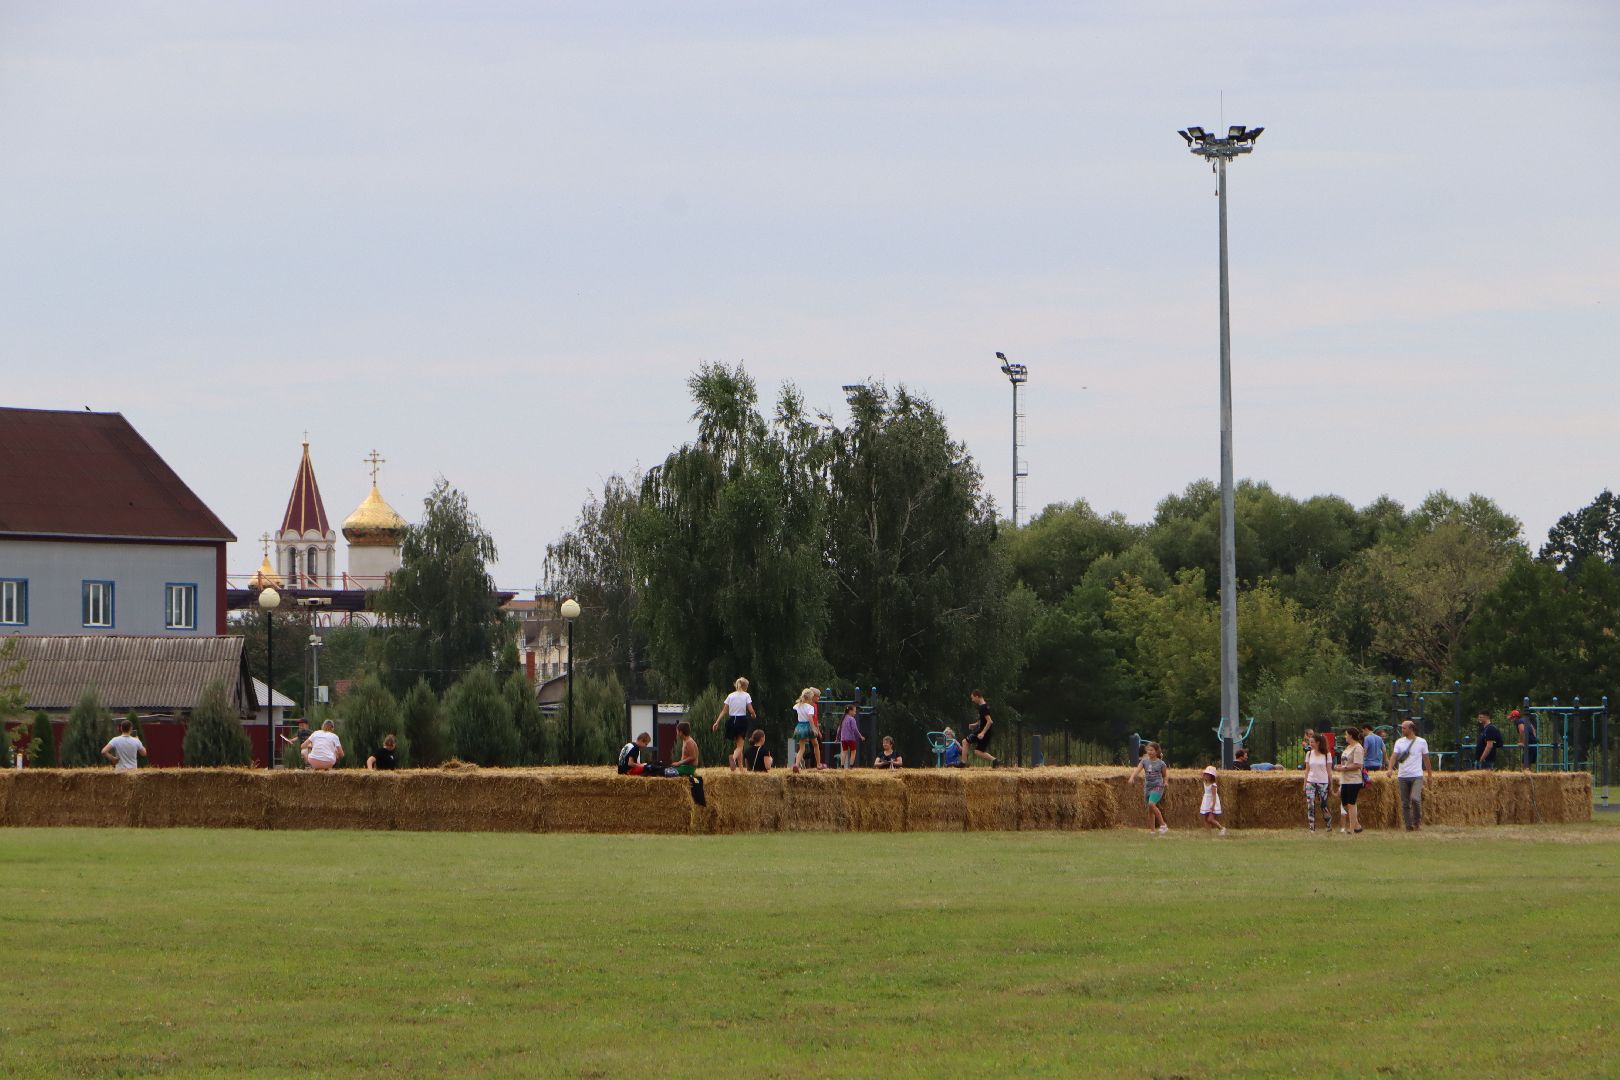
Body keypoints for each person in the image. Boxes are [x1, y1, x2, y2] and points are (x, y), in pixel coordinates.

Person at [1390, 719, 1430, 831]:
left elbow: (1426, 759)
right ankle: (1408, 825)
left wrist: (1430, 774)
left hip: (1417, 775)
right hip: (1402, 776)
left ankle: (1417, 822)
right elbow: (1394, 756)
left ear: (1411, 729)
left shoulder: (1422, 742)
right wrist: (1389, 769)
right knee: (1405, 802)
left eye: (1404, 728)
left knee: (1415, 799)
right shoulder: (1399, 742)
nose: (1402, 730)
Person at [711, 677, 757, 771]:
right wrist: (753, 715)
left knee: (738, 745)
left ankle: (740, 768)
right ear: (745, 686)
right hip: (741, 721)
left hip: (731, 721)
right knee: (740, 746)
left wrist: (717, 722)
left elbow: (724, 711)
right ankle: (733, 757)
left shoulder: (730, 695)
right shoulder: (746, 695)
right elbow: (750, 709)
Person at [1128, 741, 1169, 834]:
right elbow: (1137, 770)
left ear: (1157, 751)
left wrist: (1165, 782)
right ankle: (1152, 831)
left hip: (1158, 786)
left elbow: (1165, 775)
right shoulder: (1144, 761)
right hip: (1148, 787)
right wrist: (1132, 777)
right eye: (1148, 750)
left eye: (1152, 750)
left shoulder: (1161, 764)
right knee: (1150, 810)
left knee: (1151, 804)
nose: (1149, 752)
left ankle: (1163, 825)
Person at [1336, 727, 1365, 834]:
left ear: (1351, 735)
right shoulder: (1348, 747)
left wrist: (1344, 768)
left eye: (1346, 734)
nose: (1345, 736)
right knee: (1346, 803)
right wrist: (1340, 766)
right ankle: (1357, 825)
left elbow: (1358, 765)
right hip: (1345, 779)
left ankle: (1352, 829)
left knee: (1351, 803)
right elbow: (1345, 762)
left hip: (1354, 780)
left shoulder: (1358, 748)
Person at [791, 688, 825, 773]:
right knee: (816, 744)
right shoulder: (810, 707)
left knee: (802, 748)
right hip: (807, 726)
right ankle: (818, 764)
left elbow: (794, 707)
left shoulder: (798, 705)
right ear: (810, 698)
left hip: (799, 726)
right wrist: (814, 728)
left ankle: (796, 765)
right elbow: (810, 718)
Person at [1303, 732, 1332, 833]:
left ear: (1318, 743)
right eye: (1310, 742)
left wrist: (1330, 784)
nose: (1310, 744)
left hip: (1323, 783)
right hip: (1310, 782)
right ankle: (1312, 828)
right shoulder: (1309, 754)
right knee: (1310, 804)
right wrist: (1304, 783)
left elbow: (1329, 771)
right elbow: (1306, 770)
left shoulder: (1327, 755)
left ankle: (1328, 825)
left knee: (1323, 805)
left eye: (1312, 742)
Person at [966, 690, 1000, 767]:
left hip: (984, 732)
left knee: (965, 742)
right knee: (977, 751)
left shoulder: (983, 707)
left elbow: (990, 721)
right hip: (984, 731)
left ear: (977, 696)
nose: (972, 700)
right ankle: (995, 760)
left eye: (973, 698)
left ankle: (963, 763)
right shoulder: (983, 706)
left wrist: (982, 733)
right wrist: (974, 724)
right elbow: (983, 720)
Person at [1199, 765, 1227, 836]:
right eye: (1206, 774)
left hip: (1212, 802)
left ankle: (1222, 828)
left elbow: (1214, 796)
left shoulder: (1213, 785)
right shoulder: (1205, 782)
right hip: (1206, 801)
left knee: (1210, 819)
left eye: (1208, 775)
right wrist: (1204, 773)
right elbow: (1201, 774)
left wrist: (1213, 806)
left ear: (1212, 776)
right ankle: (1208, 833)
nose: (1206, 776)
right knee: (1206, 818)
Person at [838, 704, 864, 769]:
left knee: (844, 752)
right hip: (850, 738)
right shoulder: (852, 719)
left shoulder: (843, 718)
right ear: (850, 711)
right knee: (853, 751)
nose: (855, 713)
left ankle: (842, 766)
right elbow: (855, 729)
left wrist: (837, 737)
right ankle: (851, 766)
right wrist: (860, 736)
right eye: (854, 711)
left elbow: (839, 729)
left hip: (843, 739)